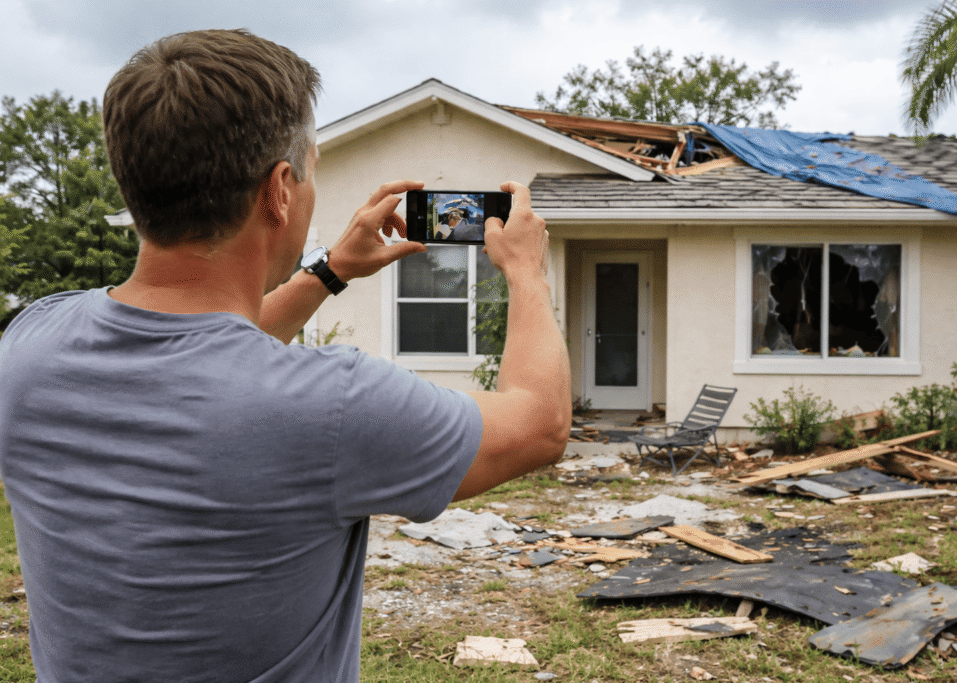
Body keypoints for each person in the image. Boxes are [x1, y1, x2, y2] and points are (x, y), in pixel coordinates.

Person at [0, 29, 570, 683]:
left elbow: (200, 353)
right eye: (311, 170)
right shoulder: (334, 404)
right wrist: (526, 272)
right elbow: (540, 422)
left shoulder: (28, 348)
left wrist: (331, 270)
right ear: (279, 189)